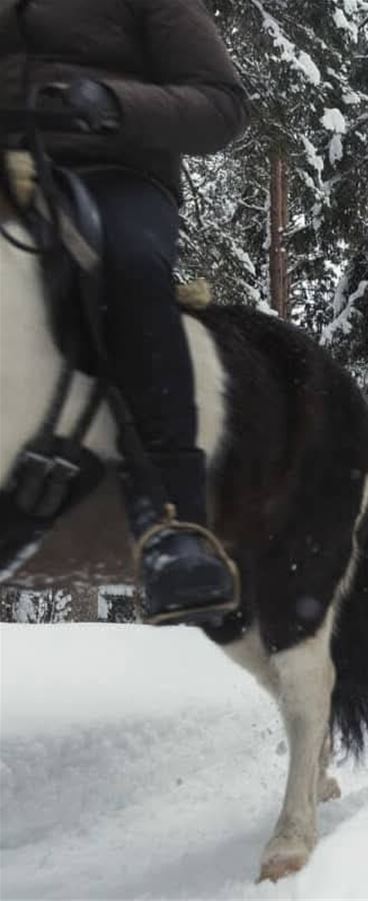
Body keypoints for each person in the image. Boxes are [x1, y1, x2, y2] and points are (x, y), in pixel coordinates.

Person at [0, 0, 249, 624]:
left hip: (111, 171)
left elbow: (220, 107)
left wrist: (113, 103)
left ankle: (172, 523)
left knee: (130, 270)